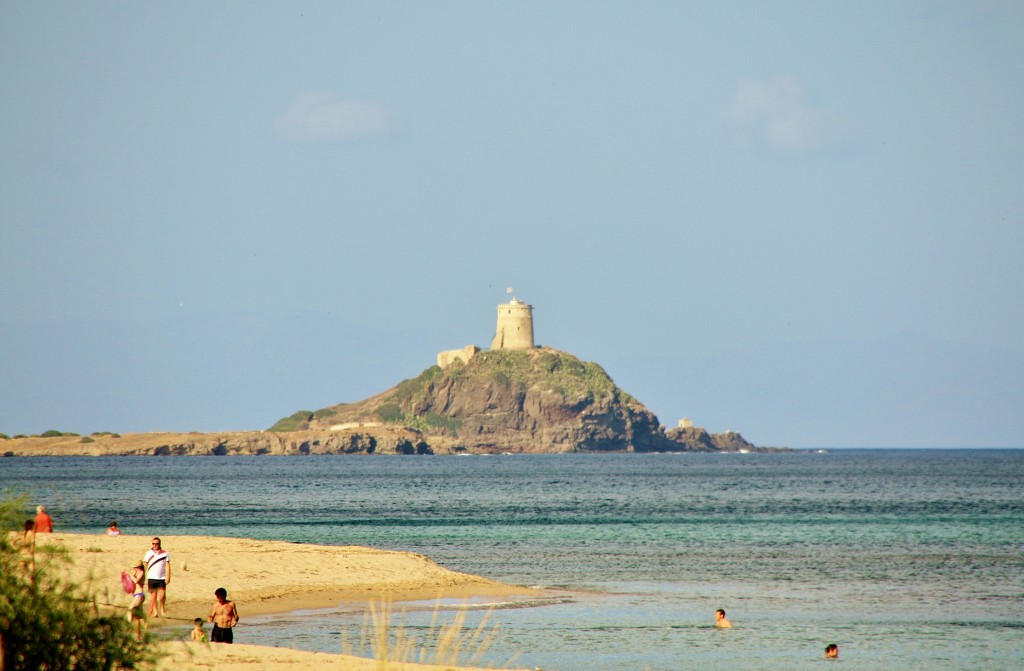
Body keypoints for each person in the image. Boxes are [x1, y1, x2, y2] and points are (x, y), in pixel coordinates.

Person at [144, 537, 170, 617]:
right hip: (151, 578)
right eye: (153, 543)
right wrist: (145, 575)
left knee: (161, 596)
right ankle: (155, 612)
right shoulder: (148, 553)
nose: (155, 545)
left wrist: (168, 576)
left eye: (156, 543)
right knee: (153, 596)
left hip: (161, 578)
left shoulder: (165, 553)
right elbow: (145, 564)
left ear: (159, 544)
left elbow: (168, 566)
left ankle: (162, 608)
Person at [126, 560, 146, 640]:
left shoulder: (141, 572)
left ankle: (128, 628)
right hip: (136, 595)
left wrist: (130, 574)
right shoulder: (136, 573)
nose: (133, 568)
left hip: (139, 595)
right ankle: (138, 636)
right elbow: (131, 582)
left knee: (130, 610)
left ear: (138, 567)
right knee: (138, 617)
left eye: (134, 567)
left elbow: (136, 581)